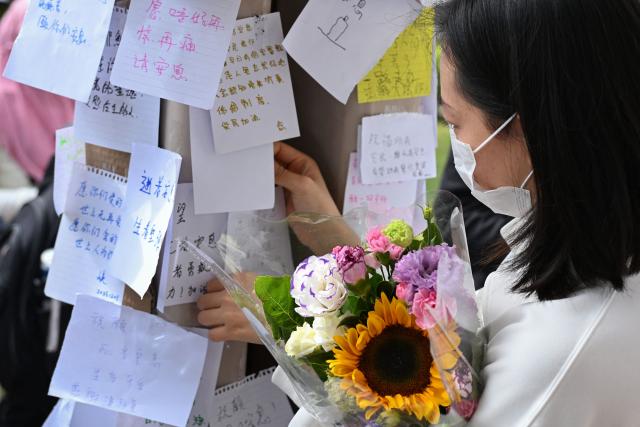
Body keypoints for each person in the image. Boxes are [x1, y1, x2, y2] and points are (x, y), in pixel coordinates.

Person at [436, 0, 640, 425]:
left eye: (454, 122)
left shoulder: (556, 353)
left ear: (526, 125)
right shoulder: (579, 232)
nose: (456, 141)